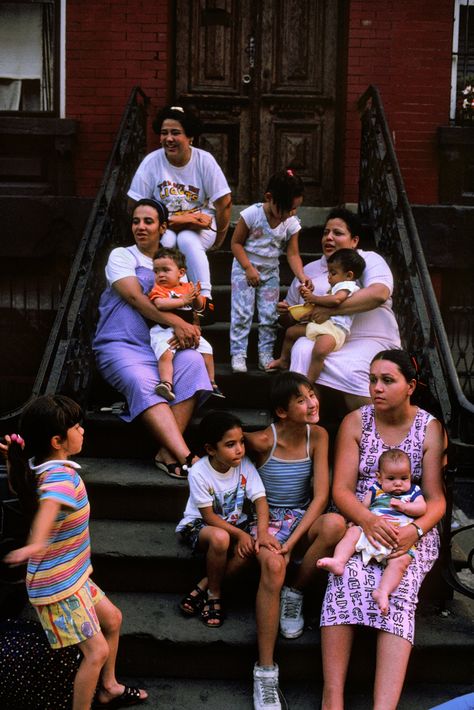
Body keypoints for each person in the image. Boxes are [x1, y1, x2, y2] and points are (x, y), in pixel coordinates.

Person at [1, 395, 148, 710]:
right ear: (57, 441)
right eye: (76, 427)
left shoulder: (40, 465)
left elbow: (22, 488)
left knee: (113, 619)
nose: (83, 430)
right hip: (57, 587)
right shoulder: (60, 478)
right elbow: (49, 506)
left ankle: (108, 688)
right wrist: (36, 542)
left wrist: (11, 461)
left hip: (73, 575)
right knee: (96, 652)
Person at [319, 350, 446, 710]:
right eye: (373, 379)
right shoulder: (355, 422)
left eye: (387, 380)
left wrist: (416, 532)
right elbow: (341, 489)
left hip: (410, 526)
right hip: (362, 519)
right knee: (347, 576)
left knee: (399, 585)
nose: (376, 387)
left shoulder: (429, 428)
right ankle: (333, 697)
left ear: (410, 386)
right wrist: (367, 520)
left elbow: (436, 500)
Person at [245, 372, 346, 710]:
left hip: (301, 519)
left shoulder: (317, 435)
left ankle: (297, 591)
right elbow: (222, 442)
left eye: (312, 394)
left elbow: (320, 498)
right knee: (273, 566)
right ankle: (265, 673)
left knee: (333, 524)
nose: (313, 402)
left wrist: (293, 543)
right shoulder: (261, 441)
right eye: (301, 400)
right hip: (267, 521)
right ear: (282, 411)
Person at [93, 198, 212, 479]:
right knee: (142, 381)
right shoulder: (123, 256)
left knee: (194, 363)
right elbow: (135, 297)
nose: (140, 227)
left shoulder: (170, 263)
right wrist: (175, 323)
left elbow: (188, 304)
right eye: (136, 221)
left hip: (159, 347)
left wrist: (191, 329)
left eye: (148, 221)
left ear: (163, 227)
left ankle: (165, 452)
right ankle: (186, 456)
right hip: (119, 344)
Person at [278, 207, 401, 414]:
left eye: (338, 233)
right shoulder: (308, 271)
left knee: (352, 369)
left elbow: (379, 293)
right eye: (326, 232)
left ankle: (371, 433)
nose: (329, 238)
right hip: (325, 336)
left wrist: (331, 311)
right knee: (301, 350)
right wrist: (286, 314)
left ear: (354, 241)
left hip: (370, 338)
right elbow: (289, 316)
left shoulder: (367, 260)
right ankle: (306, 425)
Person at [176, 411, 276, 629]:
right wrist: (239, 534)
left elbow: (260, 499)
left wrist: (262, 533)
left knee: (251, 546)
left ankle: (204, 584)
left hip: (235, 524)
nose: (239, 449)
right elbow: (208, 516)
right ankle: (215, 594)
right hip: (201, 525)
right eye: (230, 444)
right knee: (221, 538)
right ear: (211, 449)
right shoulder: (199, 472)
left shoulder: (244, 464)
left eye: (241, 442)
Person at [127, 104, 232, 300]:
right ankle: (170, 296)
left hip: (199, 223)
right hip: (163, 223)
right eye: (164, 133)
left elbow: (224, 202)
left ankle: (203, 298)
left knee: (186, 239)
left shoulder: (204, 160)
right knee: (167, 241)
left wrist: (220, 238)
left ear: (190, 136)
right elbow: (135, 204)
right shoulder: (152, 161)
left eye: (175, 133)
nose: (168, 139)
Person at [317, 448, 427, 615]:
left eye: (404, 478)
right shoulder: (376, 490)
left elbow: (422, 508)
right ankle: (339, 561)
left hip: (398, 537)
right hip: (371, 533)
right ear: (379, 477)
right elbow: (363, 509)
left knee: (401, 563)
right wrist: (355, 521)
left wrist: (405, 507)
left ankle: (383, 591)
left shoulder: (413, 491)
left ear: (410, 476)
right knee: (352, 534)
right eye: (391, 478)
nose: (398, 483)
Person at [230, 170, 310, 373]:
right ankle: (238, 353)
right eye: (287, 209)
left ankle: (265, 354)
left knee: (268, 315)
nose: (291, 213)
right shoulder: (251, 215)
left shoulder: (291, 223)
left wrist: (301, 276)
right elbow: (236, 243)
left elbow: (292, 254)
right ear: (269, 198)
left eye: (295, 208)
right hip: (245, 269)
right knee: (242, 312)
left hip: (270, 272)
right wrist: (248, 268)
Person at [268, 248, 365, 382]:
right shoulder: (333, 288)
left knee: (320, 351)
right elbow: (324, 306)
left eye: (333, 273)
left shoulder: (347, 286)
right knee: (291, 332)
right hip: (321, 325)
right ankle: (284, 360)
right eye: (329, 272)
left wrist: (313, 298)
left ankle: (309, 381)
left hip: (334, 331)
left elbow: (336, 300)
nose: (328, 276)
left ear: (349, 275)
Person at [148, 246, 223, 400]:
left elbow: (199, 307)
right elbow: (160, 304)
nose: (160, 275)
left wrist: (195, 297)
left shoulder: (187, 287)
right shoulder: (159, 289)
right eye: (156, 271)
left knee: (207, 349)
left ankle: (211, 382)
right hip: (164, 329)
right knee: (166, 353)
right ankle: (166, 383)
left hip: (188, 328)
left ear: (181, 273)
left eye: (165, 270)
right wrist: (183, 300)